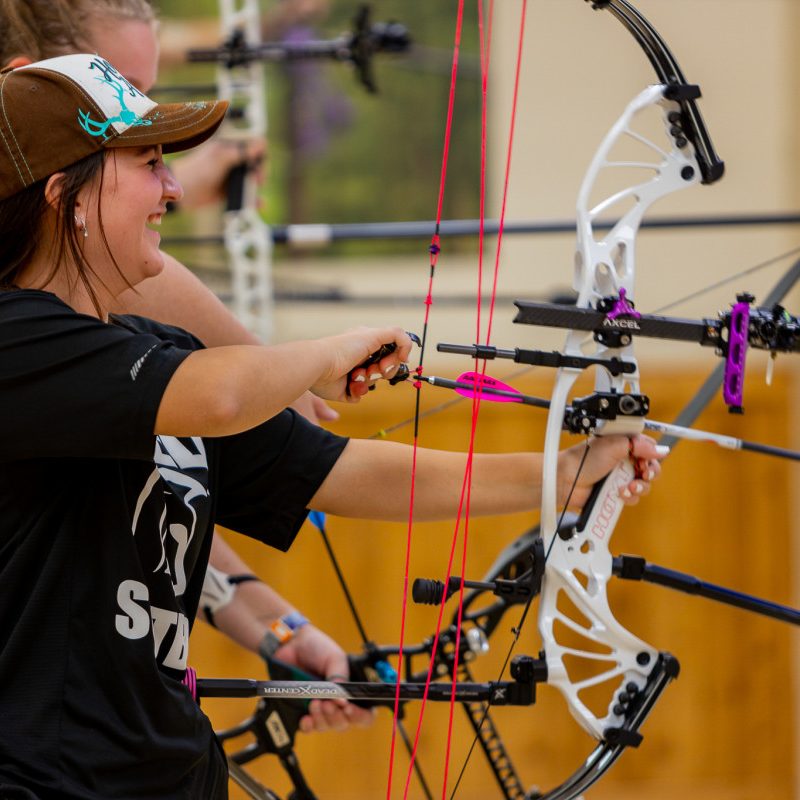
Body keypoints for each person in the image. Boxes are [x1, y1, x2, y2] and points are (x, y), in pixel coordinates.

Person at [0, 54, 663, 799]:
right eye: (150, 164)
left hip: (172, 774)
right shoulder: (16, 342)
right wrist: (319, 357)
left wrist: (566, 477)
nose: (174, 189)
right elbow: (217, 398)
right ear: (67, 198)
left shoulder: (159, 360)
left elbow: (342, 471)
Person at [0, 0, 383, 738]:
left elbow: (136, 502)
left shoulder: (110, 339)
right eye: (130, 133)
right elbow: (220, 393)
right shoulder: (31, 330)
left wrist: (273, 628)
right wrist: (287, 371)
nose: (161, 170)